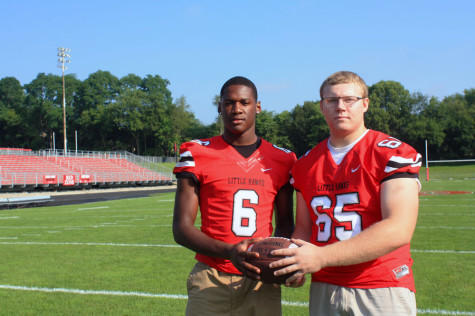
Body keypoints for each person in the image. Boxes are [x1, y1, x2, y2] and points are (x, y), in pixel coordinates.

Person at [271, 71, 422, 315]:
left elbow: (399, 229)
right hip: (325, 287)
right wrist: (296, 263)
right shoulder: (305, 164)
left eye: (349, 99)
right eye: (332, 100)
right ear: (322, 106)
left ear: (365, 104)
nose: (340, 107)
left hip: (381, 284)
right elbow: (304, 229)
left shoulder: (391, 153)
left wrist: (320, 257)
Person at [172, 76, 297, 316]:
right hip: (212, 275)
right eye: (229, 103)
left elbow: (285, 225)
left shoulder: (283, 159)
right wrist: (229, 252)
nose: (236, 109)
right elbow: (181, 228)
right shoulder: (197, 152)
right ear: (219, 107)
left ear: (257, 107)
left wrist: (280, 263)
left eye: (244, 102)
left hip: (262, 278)